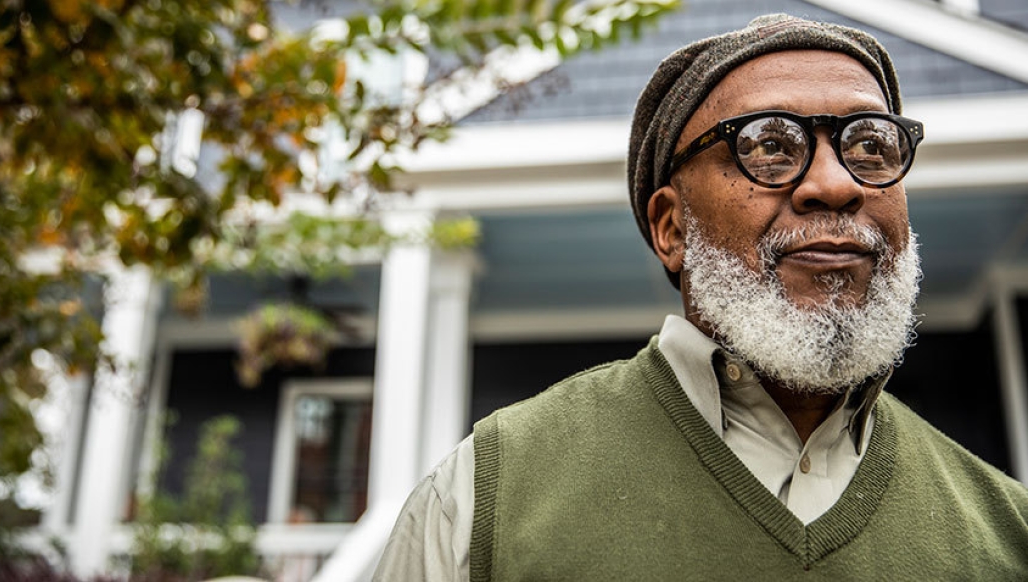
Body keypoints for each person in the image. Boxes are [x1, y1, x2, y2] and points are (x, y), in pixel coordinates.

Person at [374, 13, 1028, 581]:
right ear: (670, 228)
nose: (834, 184)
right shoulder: (486, 495)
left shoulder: (1007, 530)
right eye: (769, 145)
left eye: (868, 144)